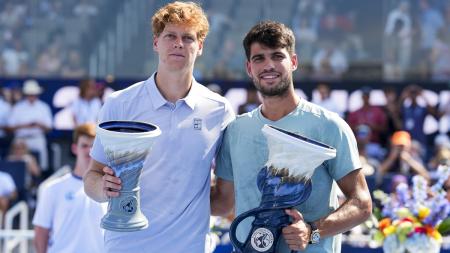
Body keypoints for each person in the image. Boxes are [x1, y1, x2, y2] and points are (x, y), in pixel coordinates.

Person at [83, 2, 234, 253]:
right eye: (170, 36)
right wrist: (103, 188)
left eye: (188, 37)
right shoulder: (120, 104)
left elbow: (224, 201)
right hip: (125, 246)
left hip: (190, 247)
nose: (178, 43)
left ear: (200, 47)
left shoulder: (219, 110)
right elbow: (92, 176)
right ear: (156, 43)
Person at [211, 21, 372, 253]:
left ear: (293, 62)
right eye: (259, 58)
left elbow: (362, 204)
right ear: (249, 68)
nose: (269, 65)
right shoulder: (236, 130)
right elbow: (222, 202)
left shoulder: (329, 126)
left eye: (277, 56)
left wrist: (312, 231)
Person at [32, 123, 106, 253]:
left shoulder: (110, 188)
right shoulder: (52, 189)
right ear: (74, 148)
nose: (89, 151)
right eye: (84, 146)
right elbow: (41, 233)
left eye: (93, 146)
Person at [8, 79, 52, 171]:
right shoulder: (18, 107)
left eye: (34, 94)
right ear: (26, 95)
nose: (32, 96)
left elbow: (49, 127)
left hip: (37, 138)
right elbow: (10, 127)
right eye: (30, 94)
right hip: (21, 139)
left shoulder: (43, 107)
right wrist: (25, 126)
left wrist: (40, 125)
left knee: (42, 165)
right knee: (15, 162)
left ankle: (39, 178)